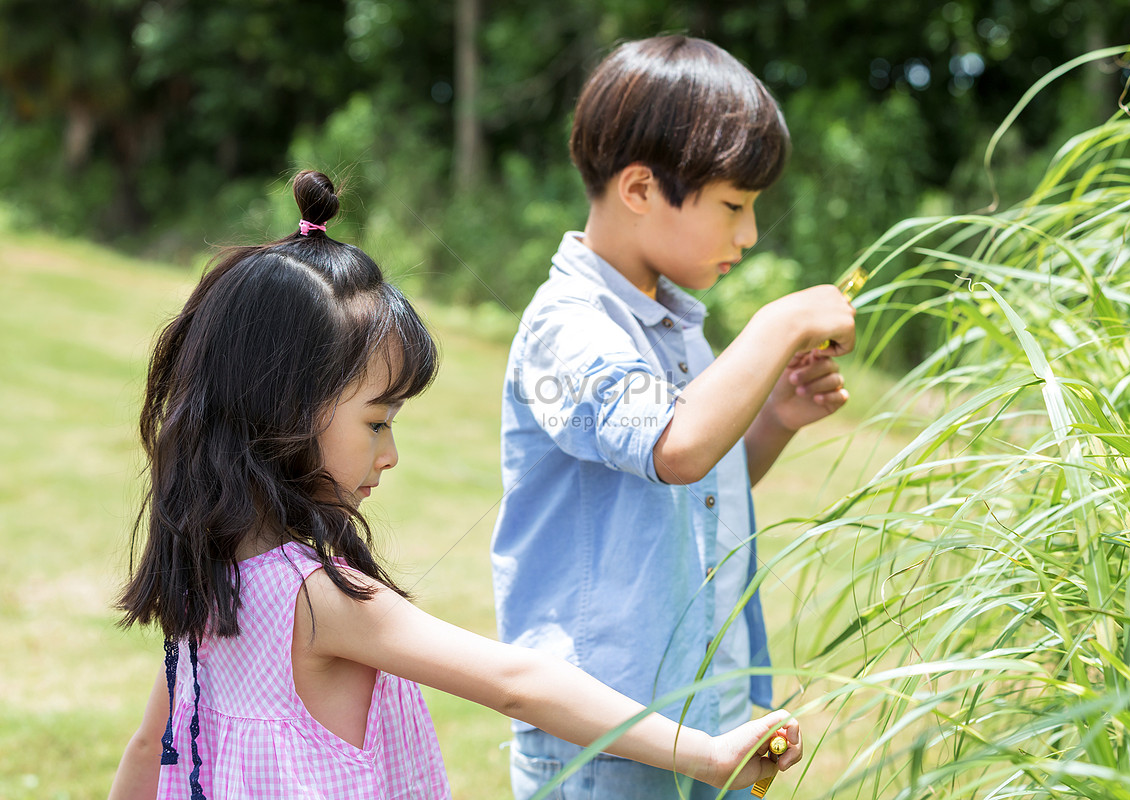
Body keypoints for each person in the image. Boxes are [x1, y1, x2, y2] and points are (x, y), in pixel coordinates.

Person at [107, 170, 802, 800]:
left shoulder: (209, 574)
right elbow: (518, 684)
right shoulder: (320, 599)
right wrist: (708, 754)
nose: (392, 453)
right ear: (285, 412)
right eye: (378, 422)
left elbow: (151, 748)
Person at [491, 35, 856, 800]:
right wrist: (778, 322)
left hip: (700, 718)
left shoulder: (677, 325)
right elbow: (675, 448)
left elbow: (694, 487)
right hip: (605, 735)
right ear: (638, 188)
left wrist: (773, 422)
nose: (749, 235)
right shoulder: (566, 332)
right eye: (733, 206)